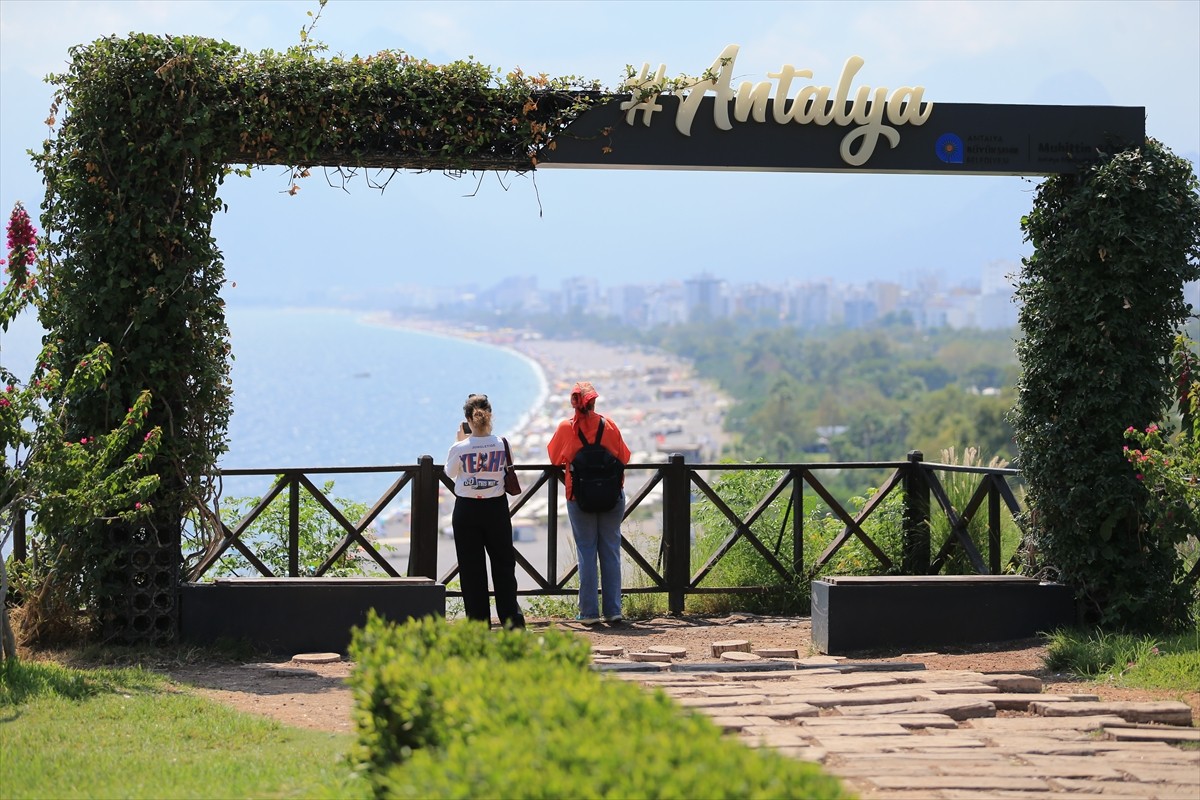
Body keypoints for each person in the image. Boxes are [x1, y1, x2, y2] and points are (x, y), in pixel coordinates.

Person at [546, 381, 632, 625]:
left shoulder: (566, 428)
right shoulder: (610, 425)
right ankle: (614, 610)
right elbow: (624, 457)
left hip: (580, 497)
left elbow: (554, 458)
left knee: (586, 552)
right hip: (612, 497)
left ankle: (589, 613)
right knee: (611, 551)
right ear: (594, 401)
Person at [444, 393, 525, 629]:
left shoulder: (459, 448)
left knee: (471, 571)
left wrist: (461, 440)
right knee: (504, 567)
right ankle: (512, 623)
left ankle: (478, 627)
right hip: (496, 509)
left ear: (468, 418)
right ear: (490, 416)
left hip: (467, 510)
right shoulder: (503, 444)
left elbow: (450, 473)